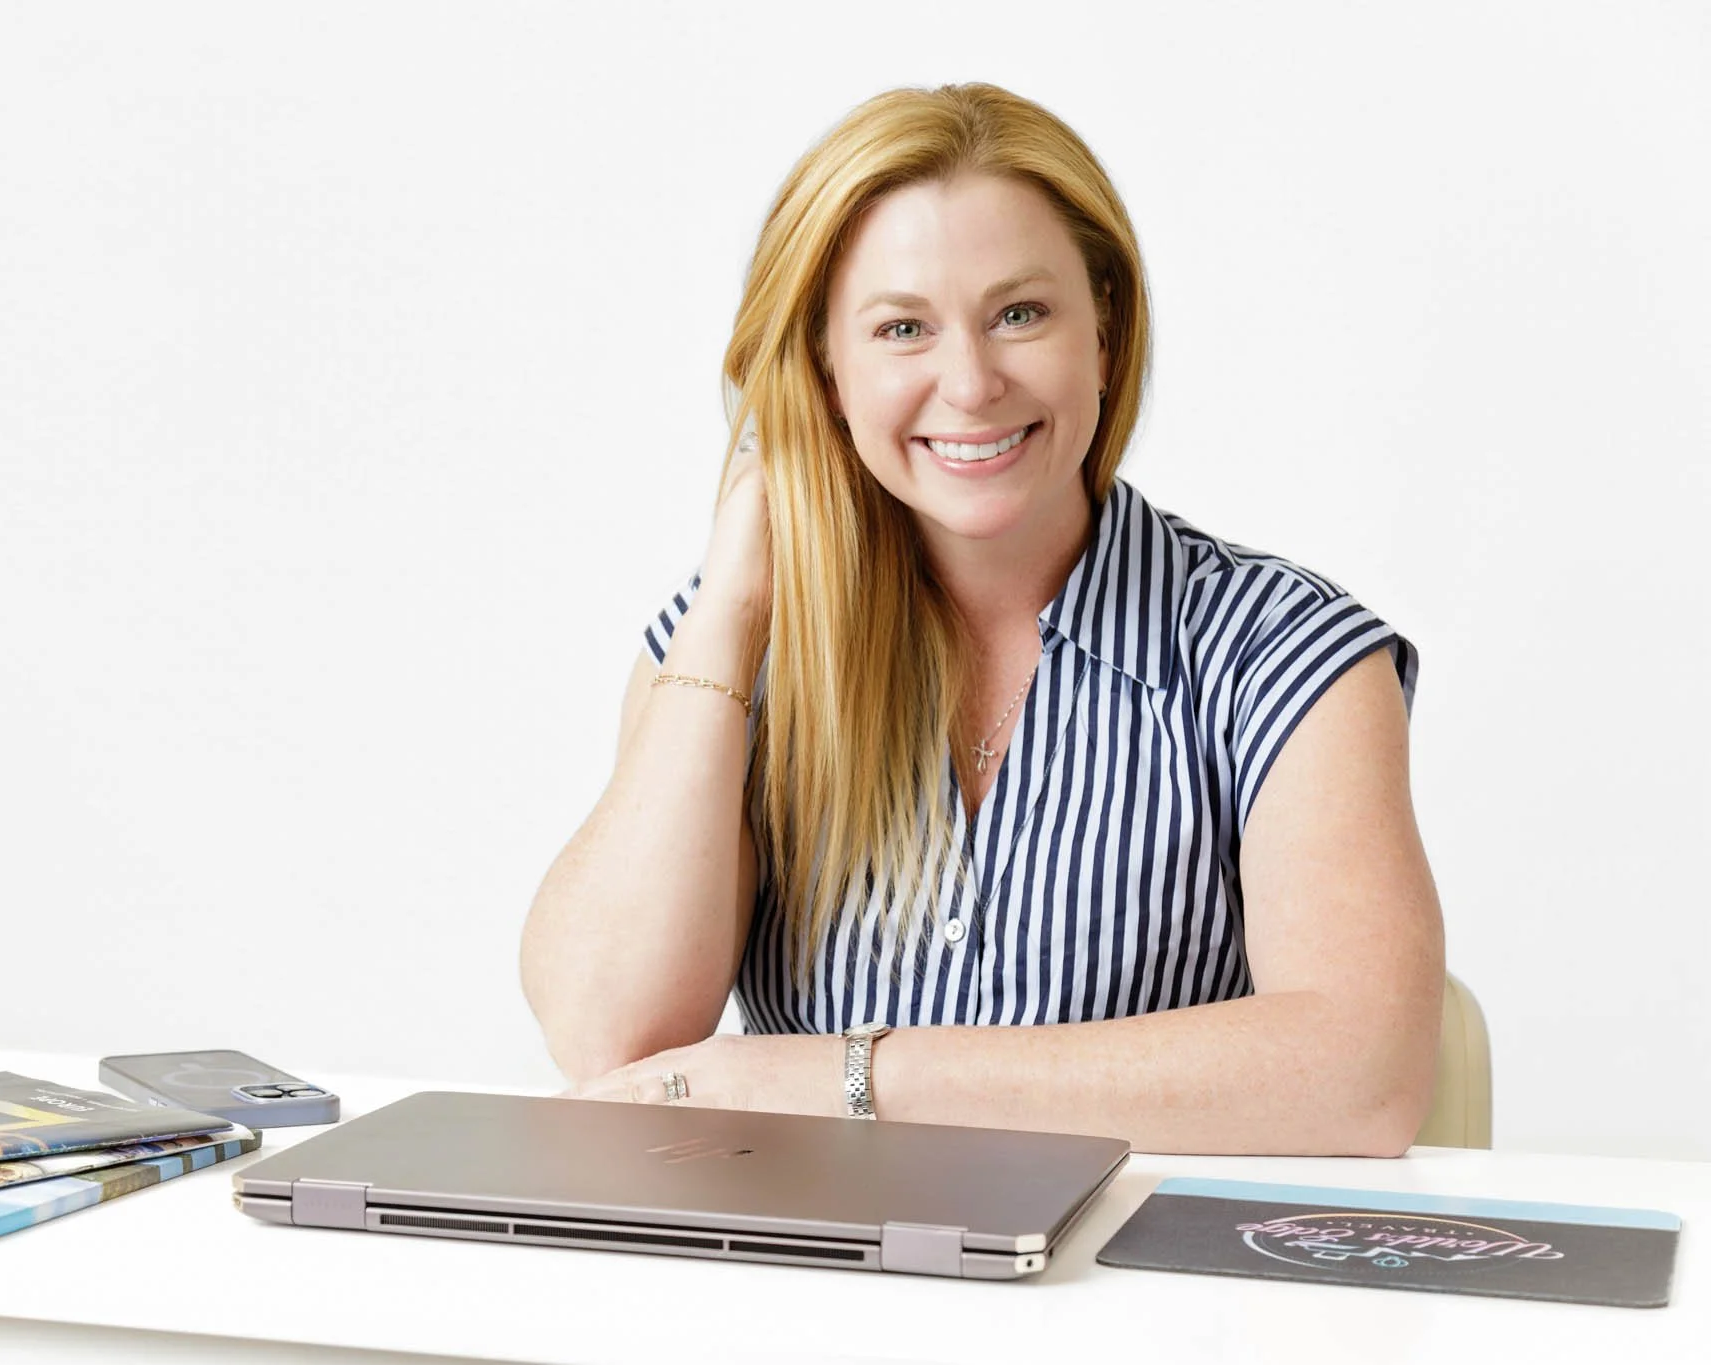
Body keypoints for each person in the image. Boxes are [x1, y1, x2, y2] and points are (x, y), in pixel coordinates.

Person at [518, 83, 1444, 1157]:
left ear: (1102, 327)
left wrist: (848, 1079)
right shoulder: (733, 649)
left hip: (1150, 1307)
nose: (968, 383)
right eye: (901, 328)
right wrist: (733, 596)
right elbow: (605, 1035)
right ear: (823, 373)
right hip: (812, 1297)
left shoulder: (1281, 653)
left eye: (1018, 314)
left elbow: (1360, 1077)